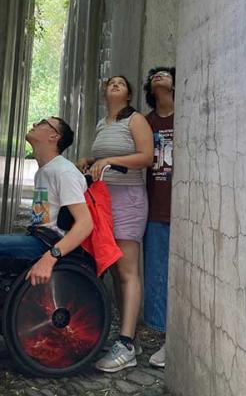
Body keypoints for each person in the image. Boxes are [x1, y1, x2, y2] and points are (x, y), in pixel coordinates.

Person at [77, 75, 153, 372]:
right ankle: (129, 334)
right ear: (104, 92)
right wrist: (89, 160)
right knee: (113, 269)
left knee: (127, 270)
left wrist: (110, 161)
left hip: (129, 199)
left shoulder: (135, 120)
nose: (115, 85)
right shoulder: (101, 123)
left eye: (121, 83)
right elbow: (100, 158)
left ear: (129, 94)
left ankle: (126, 345)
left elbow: (147, 157)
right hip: (103, 200)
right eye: (110, 83)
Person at [0, 117, 93, 286]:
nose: (35, 124)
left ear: (54, 136)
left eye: (43, 123)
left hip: (47, 245)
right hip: (37, 238)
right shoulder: (45, 171)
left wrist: (51, 257)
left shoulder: (64, 172)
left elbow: (85, 224)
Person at [142, 67, 175, 368]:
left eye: (165, 74)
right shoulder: (146, 122)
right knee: (157, 275)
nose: (159, 77)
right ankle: (166, 336)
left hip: (186, 210)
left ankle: (175, 340)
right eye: (154, 76)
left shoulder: (187, 116)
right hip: (155, 208)